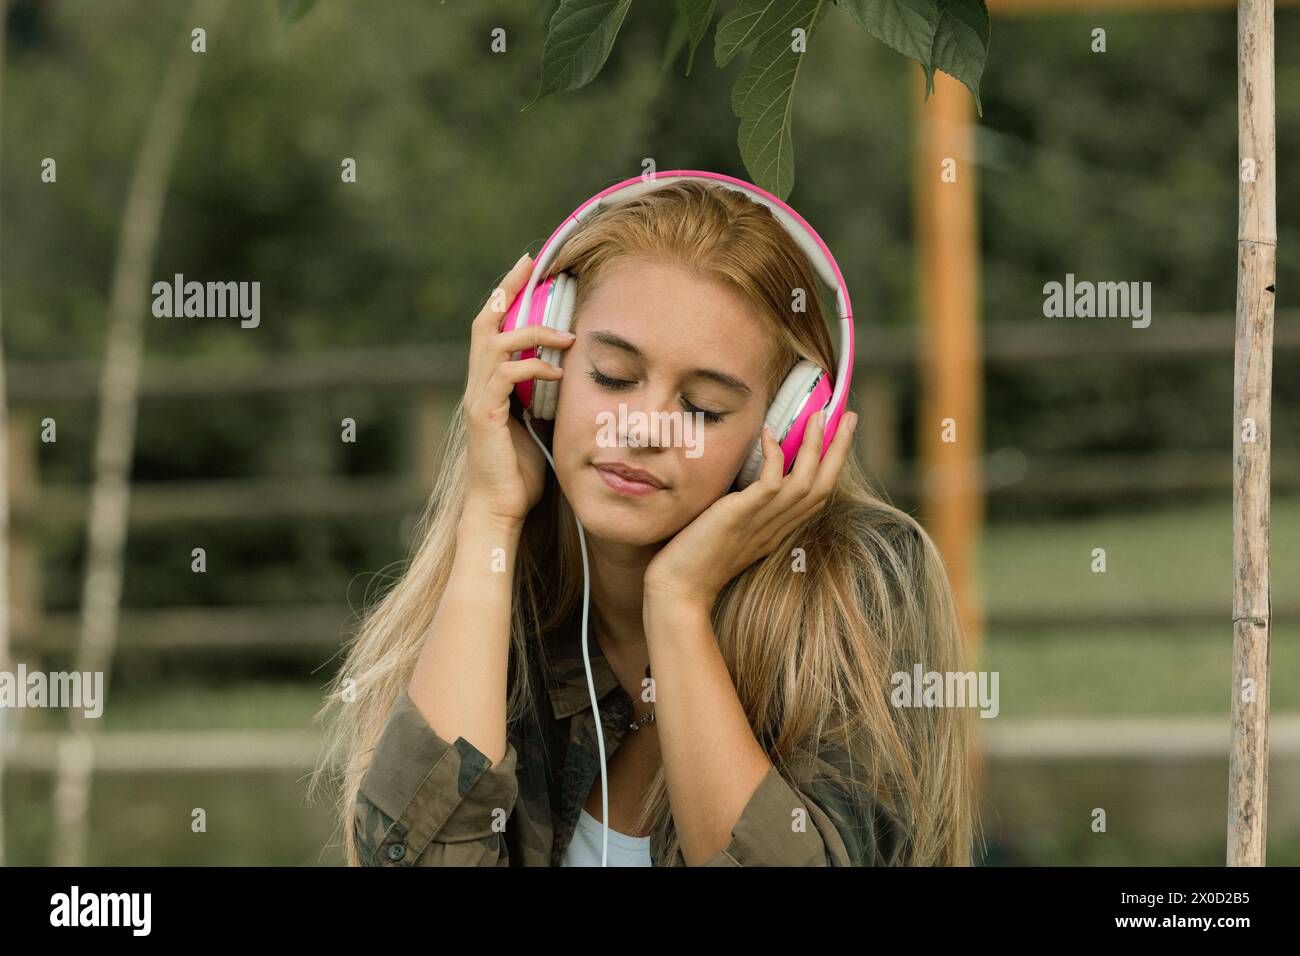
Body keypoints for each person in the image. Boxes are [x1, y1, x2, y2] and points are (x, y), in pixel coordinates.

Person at [311, 177, 980, 866]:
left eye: (703, 408)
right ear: (542, 378)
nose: (643, 429)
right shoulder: (501, 589)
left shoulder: (859, 586)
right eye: (611, 376)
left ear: (781, 431)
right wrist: (488, 514)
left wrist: (679, 607)